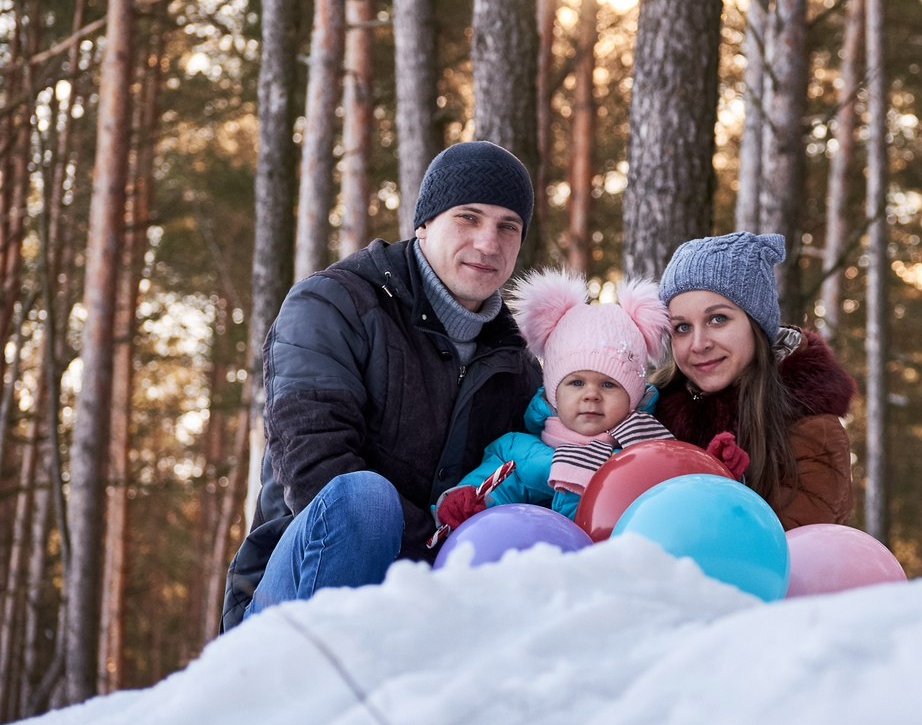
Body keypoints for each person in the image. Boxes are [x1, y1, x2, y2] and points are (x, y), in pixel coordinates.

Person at [220, 141, 542, 632]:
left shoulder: (517, 362)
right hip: (297, 598)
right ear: (425, 222)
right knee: (364, 498)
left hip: (425, 611)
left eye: (508, 226)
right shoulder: (333, 305)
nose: (488, 243)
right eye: (468, 218)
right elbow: (316, 472)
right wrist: (438, 540)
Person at [431, 268, 692, 531]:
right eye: (576, 382)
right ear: (553, 394)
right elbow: (494, 494)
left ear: (633, 397)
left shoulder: (648, 452)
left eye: (609, 384)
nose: (591, 394)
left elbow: (682, 494)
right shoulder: (519, 454)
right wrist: (466, 505)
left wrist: (716, 471)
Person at [652, 231, 856, 529]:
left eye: (718, 319)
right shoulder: (650, 409)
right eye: (682, 327)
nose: (698, 344)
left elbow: (785, 553)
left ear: (756, 324)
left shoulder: (811, 429)